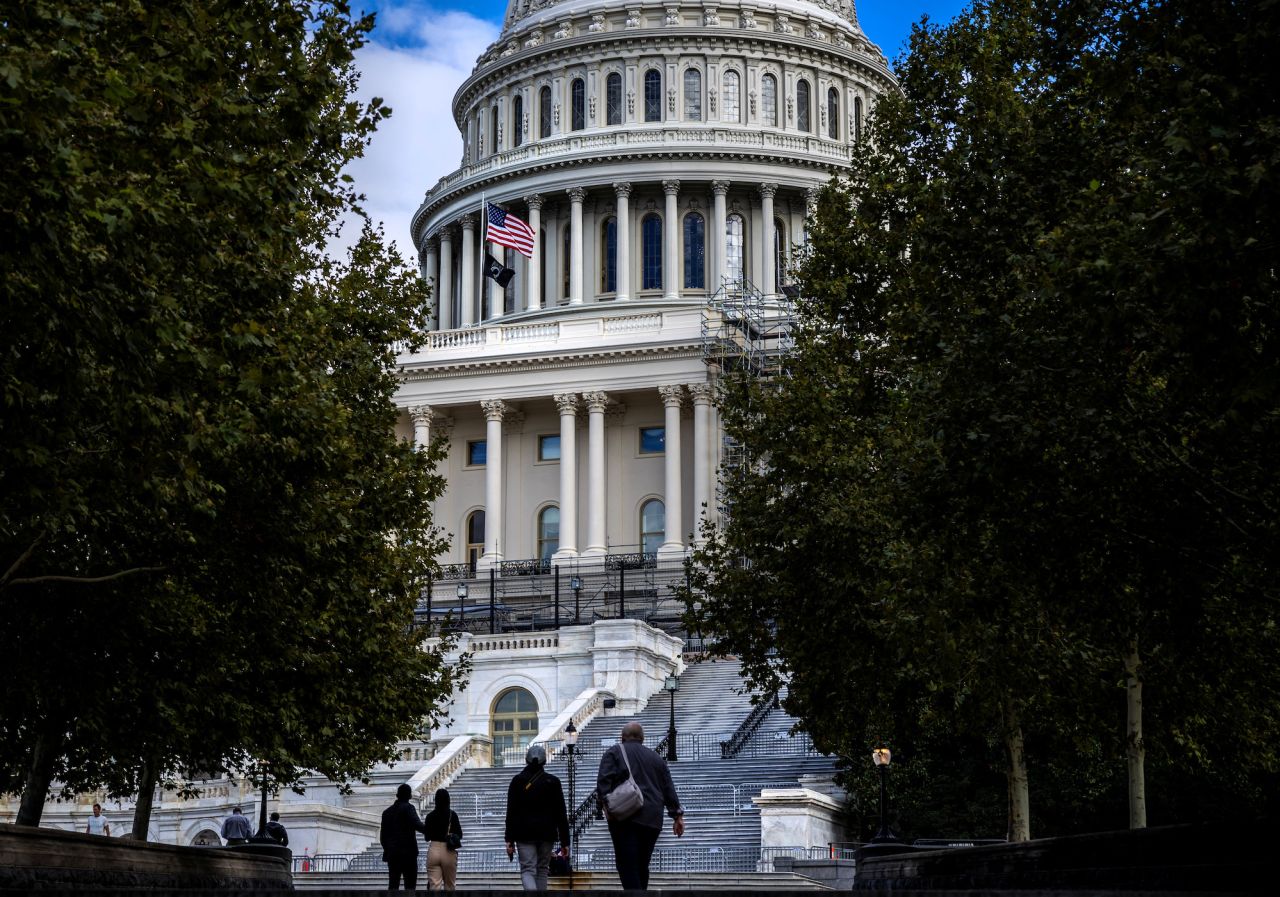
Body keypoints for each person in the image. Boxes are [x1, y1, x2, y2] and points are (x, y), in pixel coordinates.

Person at [596, 722, 685, 890]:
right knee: (642, 865)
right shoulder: (656, 758)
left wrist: (605, 806)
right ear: (642, 739)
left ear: (622, 737)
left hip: (625, 817)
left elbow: (603, 783)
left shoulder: (615, 752)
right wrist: (677, 816)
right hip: (652, 819)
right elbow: (668, 788)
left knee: (627, 865)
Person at [504, 744, 570, 891]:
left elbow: (511, 813)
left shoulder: (517, 781)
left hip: (524, 833)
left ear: (526, 760)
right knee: (542, 869)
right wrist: (565, 841)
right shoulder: (553, 782)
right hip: (547, 833)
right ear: (544, 761)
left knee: (528, 869)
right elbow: (561, 813)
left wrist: (509, 839)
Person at [380, 783, 426, 891]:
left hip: (392, 854)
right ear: (409, 796)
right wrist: (432, 831)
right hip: (408, 854)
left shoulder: (386, 812)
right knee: (410, 886)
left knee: (393, 885)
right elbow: (418, 825)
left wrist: (388, 849)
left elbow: (383, 837)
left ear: (397, 795)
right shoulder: (409, 808)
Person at [422, 787, 462, 891]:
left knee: (434, 887)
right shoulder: (452, 815)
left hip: (434, 849)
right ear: (448, 800)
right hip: (448, 850)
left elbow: (427, 837)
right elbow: (460, 834)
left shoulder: (430, 816)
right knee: (450, 886)